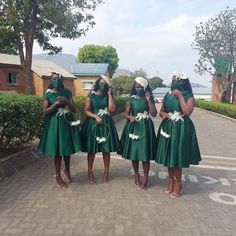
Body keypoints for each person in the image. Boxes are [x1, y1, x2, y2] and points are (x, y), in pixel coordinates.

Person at [155, 72, 201, 198]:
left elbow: (187, 112)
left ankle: (178, 183)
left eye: (179, 80)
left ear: (184, 82)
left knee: (177, 158)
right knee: (169, 157)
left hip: (181, 129)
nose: (176, 81)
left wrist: (180, 96)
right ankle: (170, 181)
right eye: (174, 79)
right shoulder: (167, 96)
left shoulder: (189, 96)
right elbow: (161, 111)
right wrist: (163, 114)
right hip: (168, 127)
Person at [38, 73, 81, 187]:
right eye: (54, 79)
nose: (57, 80)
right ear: (51, 81)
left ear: (62, 81)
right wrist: (56, 104)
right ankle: (57, 175)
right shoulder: (48, 94)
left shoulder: (67, 92)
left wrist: (66, 102)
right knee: (58, 151)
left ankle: (67, 170)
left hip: (67, 123)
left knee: (67, 149)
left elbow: (73, 109)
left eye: (59, 79)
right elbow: (45, 112)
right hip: (55, 125)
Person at [81, 75, 120, 184]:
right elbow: (86, 111)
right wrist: (96, 117)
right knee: (92, 150)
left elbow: (112, 109)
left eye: (105, 84)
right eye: (101, 83)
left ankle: (106, 172)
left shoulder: (108, 96)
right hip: (94, 124)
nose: (103, 85)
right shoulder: (91, 96)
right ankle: (89, 172)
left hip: (106, 124)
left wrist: (109, 94)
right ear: (97, 84)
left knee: (106, 150)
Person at [119, 77, 157, 190]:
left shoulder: (149, 98)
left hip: (146, 127)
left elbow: (154, 114)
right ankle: (136, 174)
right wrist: (130, 117)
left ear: (145, 88)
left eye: (141, 87)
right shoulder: (131, 99)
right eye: (136, 87)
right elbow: (125, 114)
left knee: (145, 153)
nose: (138, 89)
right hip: (134, 127)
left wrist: (149, 99)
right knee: (134, 153)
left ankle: (145, 177)